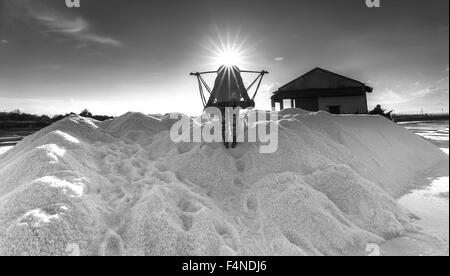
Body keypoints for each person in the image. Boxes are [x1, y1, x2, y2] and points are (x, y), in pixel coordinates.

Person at [206, 65, 254, 148]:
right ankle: (234, 141)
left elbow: (215, 89)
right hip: (234, 101)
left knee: (223, 122)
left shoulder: (219, 75)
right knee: (234, 121)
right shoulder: (236, 73)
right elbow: (242, 88)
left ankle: (225, 142)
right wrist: (248, 100)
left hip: (221, 101)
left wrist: (209, 102)